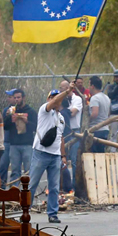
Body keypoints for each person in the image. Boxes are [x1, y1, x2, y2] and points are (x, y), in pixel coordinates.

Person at [29, 88, 70, 223]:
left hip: (55, 156)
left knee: (54, 187)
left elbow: (61, 138)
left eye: (57, 98)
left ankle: (52, 213)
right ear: (48, 99)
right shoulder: (44, 111)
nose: (55, 100)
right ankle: (25, 210)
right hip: (41, 153)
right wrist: (67, 90)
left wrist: (63, 156)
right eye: (52, 97)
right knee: (32, 184)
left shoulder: (61, 118)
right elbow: (54, 102)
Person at [4, 88, 35, 187]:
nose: (16, 100)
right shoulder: (11, 111)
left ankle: (28, 193)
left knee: (28, 171)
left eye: (18, 97)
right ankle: (14, 195)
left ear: (23, 98)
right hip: (14, 144)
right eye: (15, 98)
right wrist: (10, 118)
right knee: (15, 171)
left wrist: (26, 122)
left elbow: (36, 127)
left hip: (27, 144)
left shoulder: (30, 111)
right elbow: (5, 126)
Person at [88, 77, 111, 153]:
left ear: (92, 86)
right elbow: (108, 113)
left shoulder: (94, 98)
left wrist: (88, 120)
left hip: (96, 130)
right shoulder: (106, 97)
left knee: (95, 154)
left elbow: (94, 113)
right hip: (105, 129)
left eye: (89, 85)